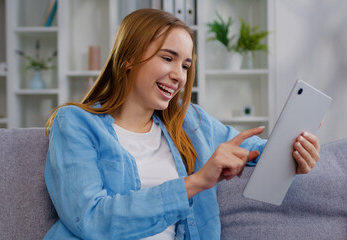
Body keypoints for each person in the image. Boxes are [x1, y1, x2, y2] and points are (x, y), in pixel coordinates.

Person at [43, 8, 321, 240]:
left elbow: (258, 150)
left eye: (186, 66)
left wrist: (297, 149)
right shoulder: (76, 123)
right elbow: (90, 218)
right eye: (168, 58)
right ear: (128, 58)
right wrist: (196, 182)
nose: (179, 76)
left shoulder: (188, 121)